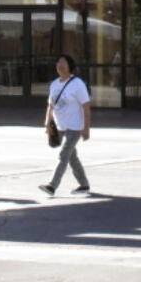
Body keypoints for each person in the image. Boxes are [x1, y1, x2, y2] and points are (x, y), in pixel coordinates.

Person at [38, 53, 91, 196]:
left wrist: (86, 128)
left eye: (63, 63)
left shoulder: (77, 84)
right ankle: (84, 184)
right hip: (60, 126)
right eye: (58, 63)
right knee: (72, 157)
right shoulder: (54, 84)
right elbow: (51, 105)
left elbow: (86, 106)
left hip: (74, 127)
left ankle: (52, 185)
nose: (60, 65)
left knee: (64, 154)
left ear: (70, 66)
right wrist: (47, 122)